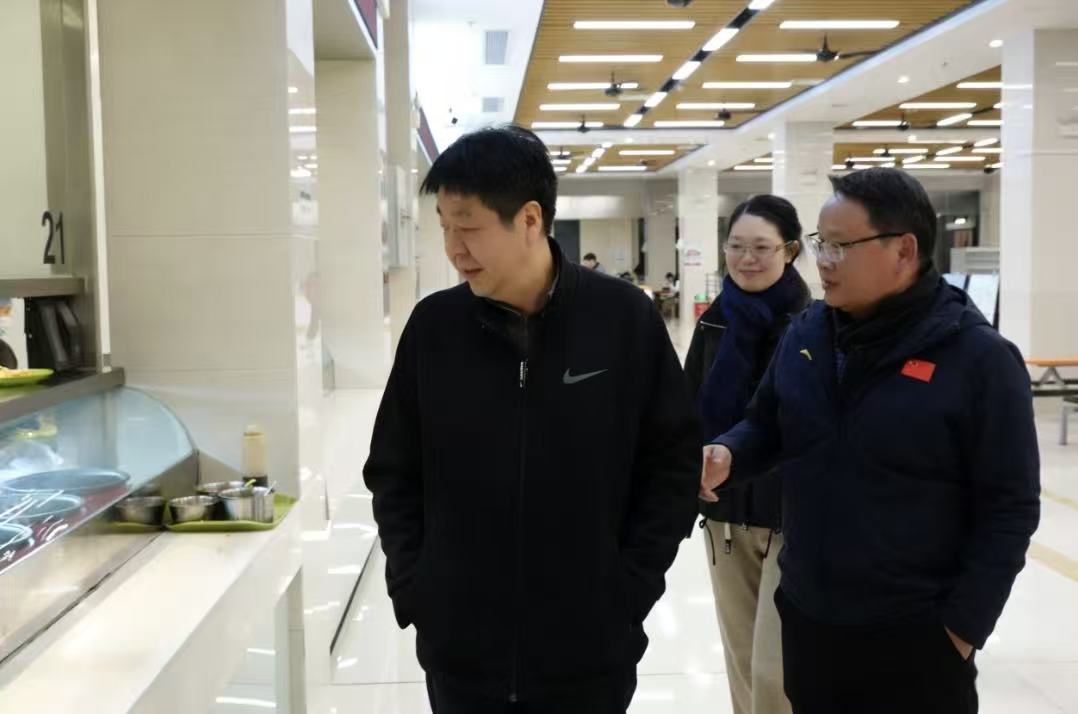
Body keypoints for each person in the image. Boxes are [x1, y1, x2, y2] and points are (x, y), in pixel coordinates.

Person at [363, 125, 700, 714]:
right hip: (461, 655)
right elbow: (394, 468)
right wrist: (417, 588)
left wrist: (628, 590)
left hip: (590, 653)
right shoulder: (434, 329)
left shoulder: (623, 320)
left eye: (468, 228)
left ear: (528, 219)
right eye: (444, 228)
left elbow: (671, 463)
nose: (453, 249)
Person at [700, 168, 1041, 714]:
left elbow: (1010, 507)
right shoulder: (807, 334)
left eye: (841, 246)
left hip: (915, 638)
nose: (823, 261)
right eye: (821, 243)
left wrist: (960, 631)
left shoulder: (978, 359)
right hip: (810, 621)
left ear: (903, 250)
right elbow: (767, 424)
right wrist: (731, 452)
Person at [684, 195, 811, 714]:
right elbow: (688, 405)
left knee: (773, 669)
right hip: (725, 514)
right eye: (736, 246)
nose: (746, 259)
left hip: (790, 517)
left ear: (791, 250)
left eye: (761, 247)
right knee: (741, 661)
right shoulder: (716, 321)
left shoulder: (811, 325)